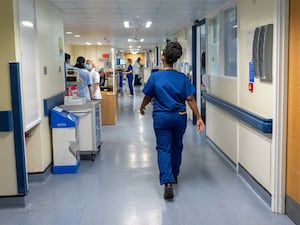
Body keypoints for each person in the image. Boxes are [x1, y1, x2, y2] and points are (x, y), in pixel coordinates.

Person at [139, 41, 205, 200]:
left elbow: (148, 96)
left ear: (163, 57)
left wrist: (142, 107)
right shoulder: (181, 78)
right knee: (177, 147)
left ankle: (167, 181)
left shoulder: (155, 77)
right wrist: (199, 117)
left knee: (163, 148)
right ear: (175, 59)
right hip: (179, 117)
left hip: (162, 118)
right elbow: (190, 99)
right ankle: (174, 175)